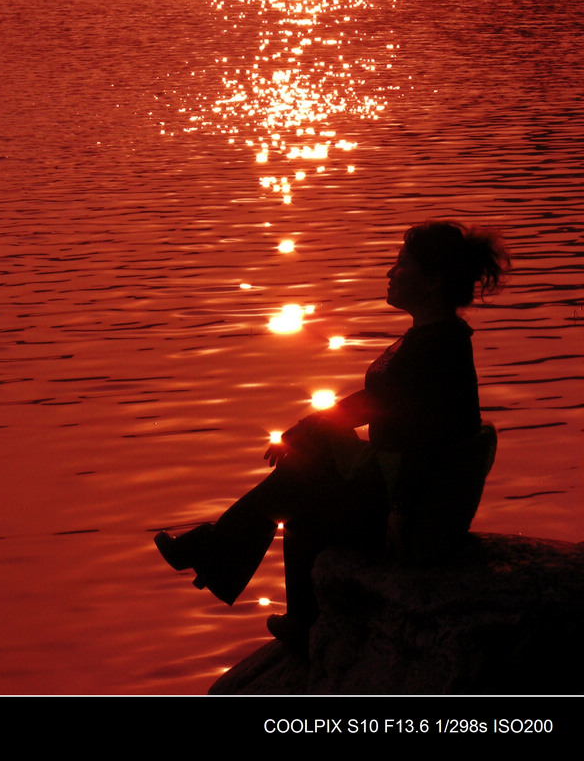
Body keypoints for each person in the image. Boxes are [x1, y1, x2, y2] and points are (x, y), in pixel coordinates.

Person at [154, 221, 510, 654]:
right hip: (399, 483)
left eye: (401, 265)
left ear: (432, 281)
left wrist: (398, 509)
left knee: (301, 499)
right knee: (304, 462)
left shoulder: (438, 347)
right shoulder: (432, 338)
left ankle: (273, 596)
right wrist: (305, 432)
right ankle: (223, 559)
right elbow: (374, 403)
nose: (390, 273)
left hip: (415, 504)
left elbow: (421, 439)